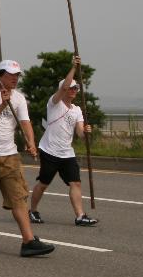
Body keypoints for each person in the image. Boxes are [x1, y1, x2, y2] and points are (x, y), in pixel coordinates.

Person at [0, 60, 55, 257]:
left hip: (10, 155)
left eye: (17, 75)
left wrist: (31, 142)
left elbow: (25, 123)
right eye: (11, 75)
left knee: (18, 197)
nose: (15, 78)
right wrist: (2, 104)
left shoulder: (19, 98)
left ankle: (28, 241)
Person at [29, 56, 98, 227]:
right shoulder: (54, 103)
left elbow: (80, 133)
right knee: (44, 183)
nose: (74, 90)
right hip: (49, 150)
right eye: (72, 88)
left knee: (75, 182)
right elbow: (65, 85)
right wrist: (74, 67)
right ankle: (33, 210)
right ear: (64, 89)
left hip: (67, 153)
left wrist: (86, 133)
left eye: (76, 88)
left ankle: (80, 216)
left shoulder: (77, 110)